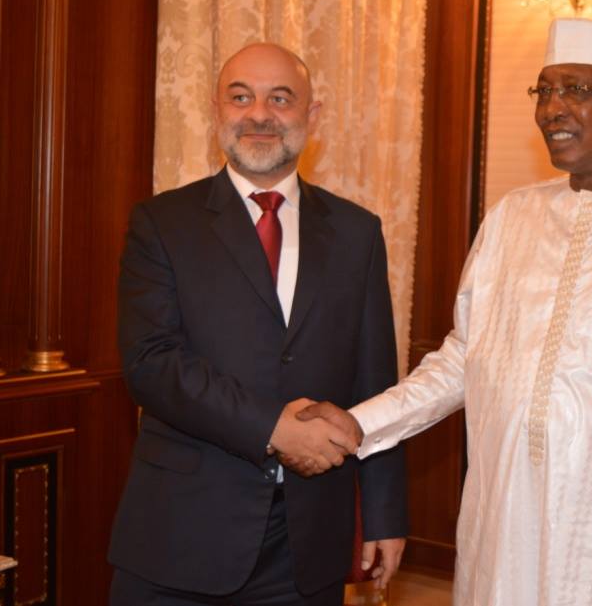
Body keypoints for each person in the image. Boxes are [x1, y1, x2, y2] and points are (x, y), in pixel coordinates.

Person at [298, 18, 592, 604]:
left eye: (576, 90)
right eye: (544, 91)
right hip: (502, 538)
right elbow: (465, 358)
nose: (552, 109)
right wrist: (361, 424)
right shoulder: (510, 218)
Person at [107, 43, 408, 606]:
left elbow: (375, 381)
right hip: (182, 535)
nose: (260, 115)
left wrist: (386, 513)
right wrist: (275, 427)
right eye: (241, 97)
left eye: (280, 99)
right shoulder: (162, 223)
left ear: (311, 116)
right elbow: (152, 364)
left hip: (308, 540)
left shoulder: (356, 232)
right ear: (217, 110)